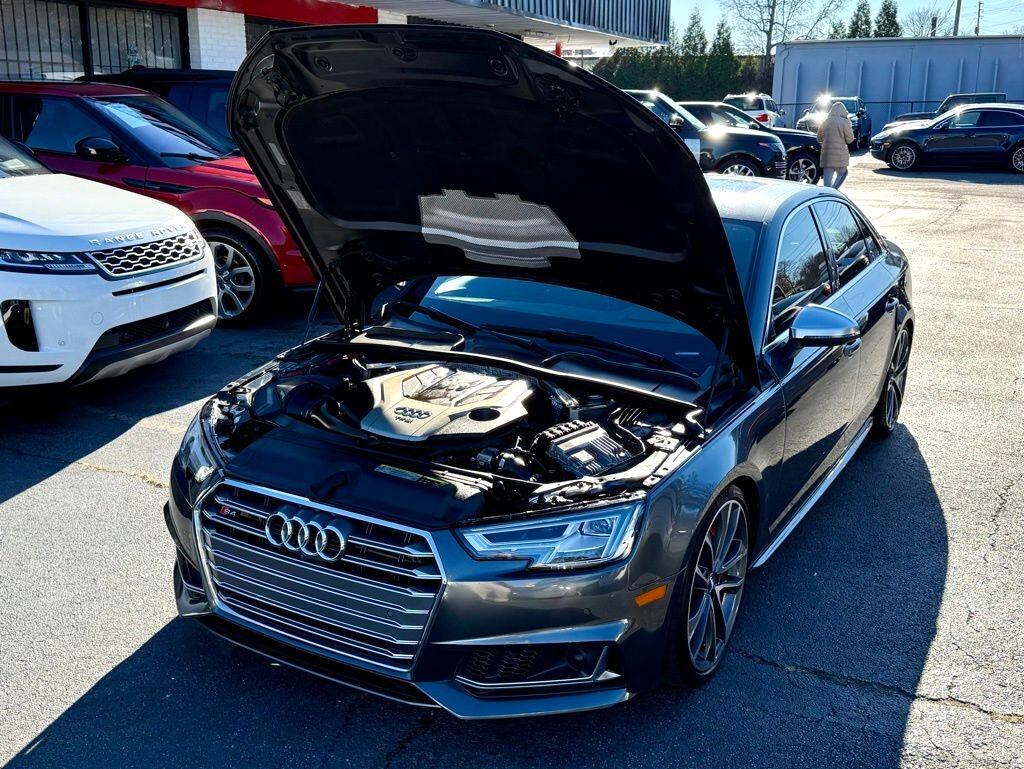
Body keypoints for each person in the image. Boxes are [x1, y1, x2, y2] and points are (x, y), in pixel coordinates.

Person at [817, 101, 855, 189]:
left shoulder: (825, 121)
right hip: (840, 156)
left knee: (827, 180)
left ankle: (827, 192)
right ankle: (834, 190)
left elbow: (819, 138)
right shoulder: (845, 122)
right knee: (843, 173)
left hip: (826, 156)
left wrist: (826, 142)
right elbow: (850, 140)